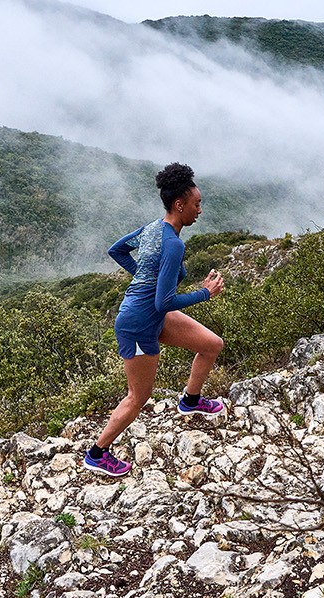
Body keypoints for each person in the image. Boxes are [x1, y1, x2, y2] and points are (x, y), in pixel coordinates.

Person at [84, 163, 227, 478]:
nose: (200, 210)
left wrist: (144, 277)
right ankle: (97, 453)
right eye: (196, 204)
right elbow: (164, 300)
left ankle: (191, 400)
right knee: (138, 397)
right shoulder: (173, 244)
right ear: (180, 205)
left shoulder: (152, 228)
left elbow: (117, 250)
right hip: (137, 324)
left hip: (153, 314)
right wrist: (205, 293)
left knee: (211, 344)